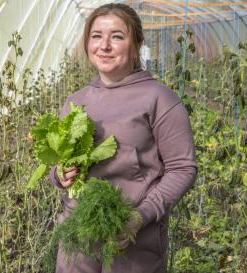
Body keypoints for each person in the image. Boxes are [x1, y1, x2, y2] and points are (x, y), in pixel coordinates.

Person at [49, 3, 197, 273]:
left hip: (133, 241)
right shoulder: (76, 101)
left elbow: (183, 168)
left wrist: (140, 217)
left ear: (137, 44)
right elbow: (57, 165)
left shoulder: (160, 99)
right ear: (86, 43)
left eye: (117, 36)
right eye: (96, 36)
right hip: (77, 239)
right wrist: (60, 174)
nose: (104, 45)